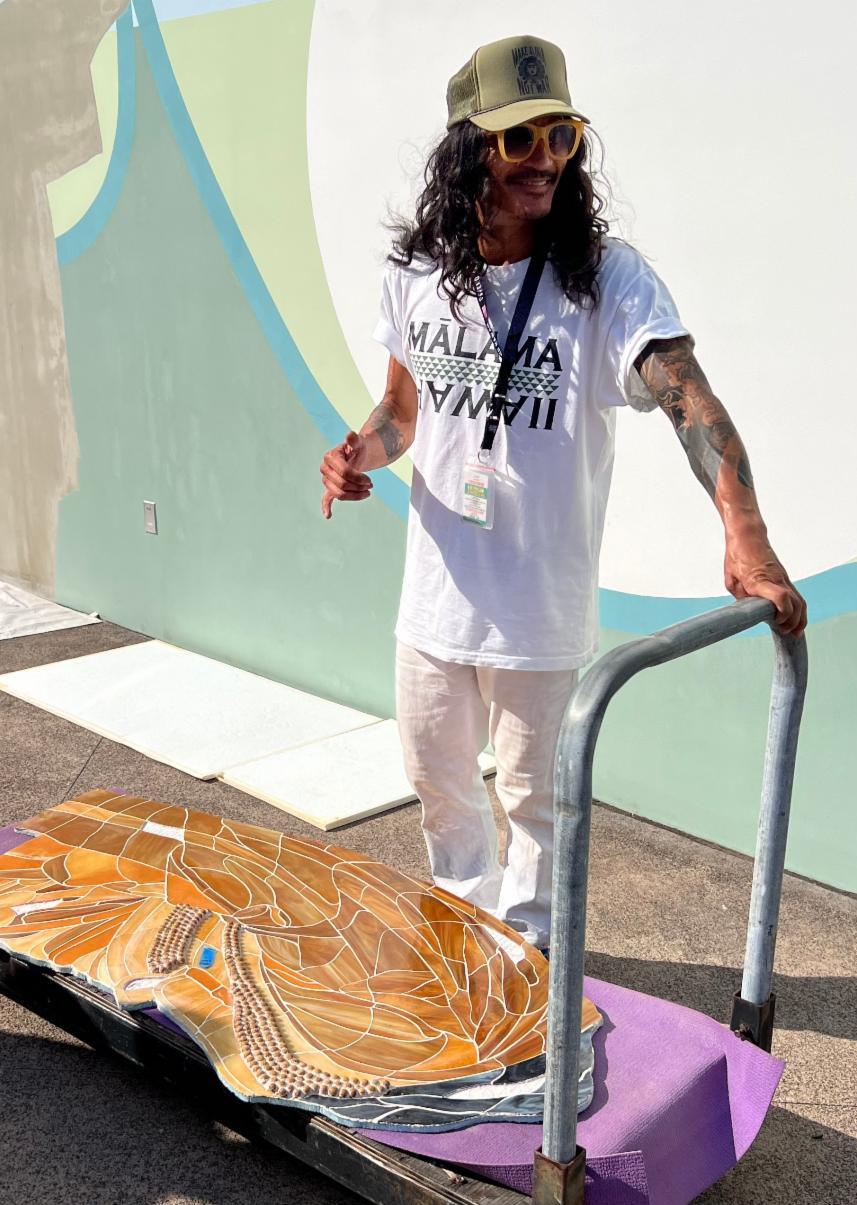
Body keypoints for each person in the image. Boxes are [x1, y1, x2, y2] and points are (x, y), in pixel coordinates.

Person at [319, 35, 806, 950]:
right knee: (439, 784)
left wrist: (746, 533)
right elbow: (403, 409)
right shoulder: (416, 273)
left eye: (561, 136)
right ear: (469, 148)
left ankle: (532, 959)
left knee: (535, 802)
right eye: (519, 139)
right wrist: (360, 455)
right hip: (433, 600)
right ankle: (468, 938)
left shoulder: (606, 281)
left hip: (536, 609)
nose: (544, 158)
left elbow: (688, 398)